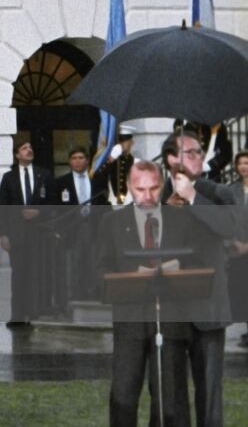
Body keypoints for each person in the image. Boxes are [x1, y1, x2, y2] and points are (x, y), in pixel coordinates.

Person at [97, 160, 191, 427]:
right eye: (140, 189)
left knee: (170, 401)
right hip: (130, 319)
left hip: (171, 319)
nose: (147, 196)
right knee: (123, 397)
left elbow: (195, 265)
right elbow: (99, 269)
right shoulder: (112, 222)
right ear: (128, 187)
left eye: (153, 189)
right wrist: (125, 279)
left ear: (163, 186)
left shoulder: (180, 219)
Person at [163, 129, 244, 427]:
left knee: (209, 391)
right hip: (171, 307)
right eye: (192, 151)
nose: (200, 156)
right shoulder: (157, 194)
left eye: (200, 151)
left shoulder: (217, 192)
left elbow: (230, 227)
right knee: (172, 391)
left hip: (209, 307)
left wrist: (192, 196)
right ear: (172, 158)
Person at [0, 134, 54, 327]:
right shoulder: (9, 178)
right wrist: (3, 234)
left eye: (30, 147)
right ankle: (18, 315)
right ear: (16, 154)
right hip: (16, 234)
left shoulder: (43, 174)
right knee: (18, 274)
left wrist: (38, 212)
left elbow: (52, 204)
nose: (29, 150)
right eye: (24, 148)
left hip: (38, 233)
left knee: (36, 273)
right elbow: (2, 208)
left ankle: (35, 312)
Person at [54, 145, 101, 302]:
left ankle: (94, 298)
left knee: (93, 264)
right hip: (72, 231)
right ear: (69, 162)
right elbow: (58, 209)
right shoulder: (61, 183)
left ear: (87, 160)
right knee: (73, 266)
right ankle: (74, 301)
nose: (77, 161)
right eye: (74, 158)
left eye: (81, 158)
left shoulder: (96, 180)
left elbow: (103, 205)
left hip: (93, 229)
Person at [228, 151, 248, 348]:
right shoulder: (231, 190)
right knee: (242, 291)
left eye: (247, 163)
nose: (244, 167)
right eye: (240, 163)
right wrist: (236, 243)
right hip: (237, 250)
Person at [93, 123, 139, 205]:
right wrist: (110, 158)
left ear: (132, 142)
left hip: (131, 202)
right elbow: (98, 177)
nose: (122, 144)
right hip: (113, 202)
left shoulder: (137, 162)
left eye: (125, 141)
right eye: (120, 141)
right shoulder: (110, 161)